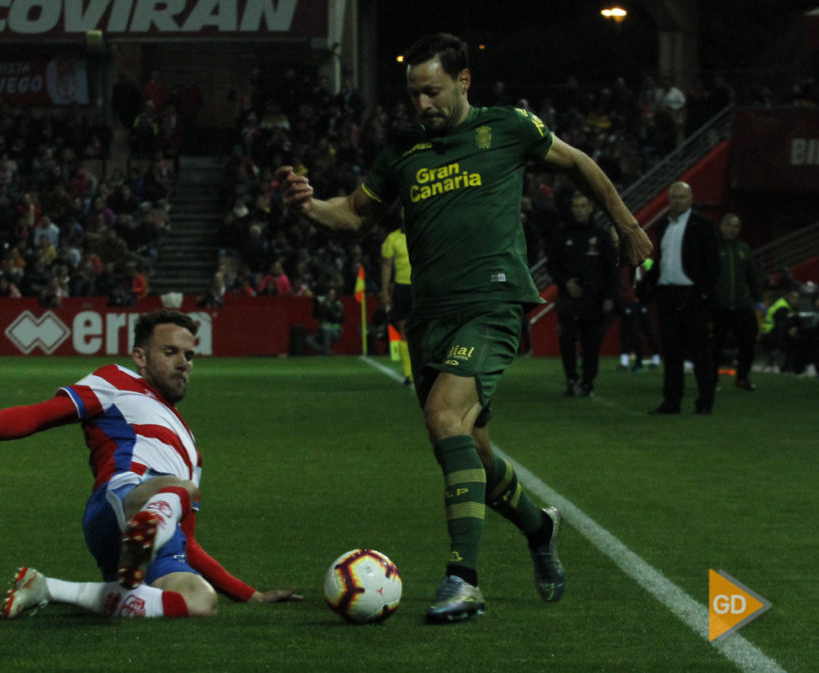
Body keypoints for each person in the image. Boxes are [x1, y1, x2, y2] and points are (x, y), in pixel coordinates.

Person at [276, 33, 652, 623]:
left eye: (432, 91)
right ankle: (538, 527)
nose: (422, 104)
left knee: (444, 417)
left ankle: (462, 579)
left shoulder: (507, 128)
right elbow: (353, 214)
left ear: (463, 81)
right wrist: (308, 204)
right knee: (468, 448)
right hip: (430, 316)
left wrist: (626, 224)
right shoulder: (401, 151)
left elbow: (578, 163)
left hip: (493, 302)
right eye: (414, 94)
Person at [0, 309, 300, 619]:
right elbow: (43, 413)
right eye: (170, 352)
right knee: (181, 489)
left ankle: (47, 588)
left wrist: (249, 595)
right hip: (120, 498)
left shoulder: (190, 448)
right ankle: (144, 531)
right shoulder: (115, 381)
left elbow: (186, 541)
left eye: (189, 356)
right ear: (140, 357)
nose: (183, 363)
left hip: (161, 527)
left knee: (200, 602)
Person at [645, 182, 719, 415]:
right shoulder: (663, 225)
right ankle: (671, 402)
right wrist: (647, 287)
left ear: (690, 198)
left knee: (700, 352)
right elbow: (661, 261)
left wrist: (703, 293)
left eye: (681, 197)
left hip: (692, 295)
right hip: (668, 295)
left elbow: (714, 264)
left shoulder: (704, 225)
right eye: (674, 197)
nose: (677, 201)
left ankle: (705, 401)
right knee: (671, 352)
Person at [547, 193, 617, 397]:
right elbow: (552, 264)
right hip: (568, 298)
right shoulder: (562, 234)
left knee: (591, 343)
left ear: (590, 208)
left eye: (583, 205)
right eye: (576, 206)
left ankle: (588, 381)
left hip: (594, 298)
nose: (579, 209)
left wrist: (609, 297)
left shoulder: (601, 236)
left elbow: (611, 269)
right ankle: (571, 379)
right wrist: (565, 282)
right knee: (567, 339)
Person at [711, 213, 763, 391]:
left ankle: (742, 378)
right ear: (721, 226)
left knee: (748, 341)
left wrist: (758, 299)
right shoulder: (714, 248)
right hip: (720, 304)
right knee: (716, 344)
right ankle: (711, 380)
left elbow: (752, 276)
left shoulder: (743, 249)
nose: (732, 229)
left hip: (741, 303)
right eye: (729, 225)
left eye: (736, 226)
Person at [380, 221, 414, 384]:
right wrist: (385, 290)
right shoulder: (392, 239)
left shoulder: (422, 233)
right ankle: (409, 373)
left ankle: (423, 369)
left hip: (422, 285)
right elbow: (386, 265)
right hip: (402, 288)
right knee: (404, 328)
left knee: (425, 328)